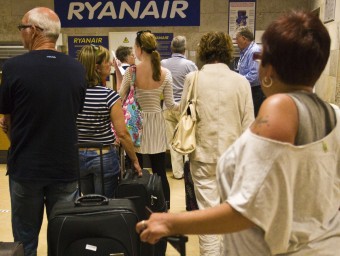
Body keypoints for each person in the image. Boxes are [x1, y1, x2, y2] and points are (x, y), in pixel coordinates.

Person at [136, 10, 340, 255]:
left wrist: (170, 222)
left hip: (275, 245)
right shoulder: (334, 115)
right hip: (326, 245)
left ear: (268, 67)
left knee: (209, 217)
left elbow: (248, 209)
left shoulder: (279, 111)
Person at [148, 31, 255, 256]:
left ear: (204, 51)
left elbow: (185, 113)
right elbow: (249, 126)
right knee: (229, 215)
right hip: (234, 159)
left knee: (208, 215)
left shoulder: (193, 79)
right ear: (227, 51)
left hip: (202, 156)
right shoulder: (242, 82)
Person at [0, 7, 87, 256]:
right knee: (64, 238)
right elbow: (74, 112)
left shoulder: (14, 67)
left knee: (25, 242)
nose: (21, 34)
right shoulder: (76, 68)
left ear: (35, 31)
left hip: (26, 169)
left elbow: (7, 120)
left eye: (22, 28)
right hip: (65, 168)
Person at [117, 30, 179, 256]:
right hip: (157, 124)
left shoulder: (131, 72)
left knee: (137, 168)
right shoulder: (165, 72)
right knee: (160, 170)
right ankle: (164, 208)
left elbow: (120, 97)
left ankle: (138, 206)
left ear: (139, 48)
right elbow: (171, 104)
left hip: (136, 126)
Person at [76, 45, 142, 198]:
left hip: (78, 156)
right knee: (106, 203)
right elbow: (123, 133)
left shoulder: (73, 94)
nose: (110, 64)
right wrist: (135, 160)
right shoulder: (109, 96)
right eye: (107, 62)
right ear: (97, 67)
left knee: (87, 201)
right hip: (103, 155)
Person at [161, 35, 198, 180]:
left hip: (167, 106)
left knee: (172, 141)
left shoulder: (162, 63)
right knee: (187, 138)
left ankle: (177, 173)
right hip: (184, 108)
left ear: (171, 48)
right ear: (184, 49)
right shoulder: (190, 65)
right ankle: (188, 171)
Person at [235, 26, 265, 117]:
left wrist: (237, 81)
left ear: (244, 38)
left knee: (252, 118)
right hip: (248, 90)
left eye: (237, 39)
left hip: (255, 92)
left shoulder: (255, 51)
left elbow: (255, 75)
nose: (236, 42)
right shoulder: (245, 52)